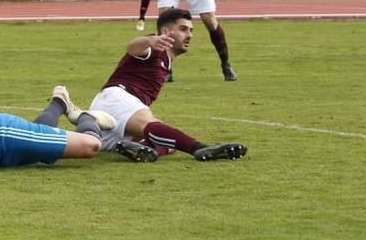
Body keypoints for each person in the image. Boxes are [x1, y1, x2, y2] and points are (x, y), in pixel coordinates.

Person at [55, 9, 248, 163]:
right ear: (166, 32)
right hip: (117, 98)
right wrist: (150, 39)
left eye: (191, 30)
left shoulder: (166, 59)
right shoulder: (155, 49)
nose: (189, 35)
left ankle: (133, 148)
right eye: (183, 29)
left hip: (113, 111)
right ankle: (200, 148)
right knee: (156, 127)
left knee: (169, 142)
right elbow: (133, 47)